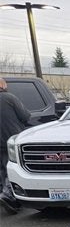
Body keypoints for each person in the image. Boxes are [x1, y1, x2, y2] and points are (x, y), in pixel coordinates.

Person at [0, 77, 31, 213]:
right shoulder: (9, 98)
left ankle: (6, 195)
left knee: (2, 169)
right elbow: (25, 116)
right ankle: (8, 196)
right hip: (9, 139)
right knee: (10, 168)